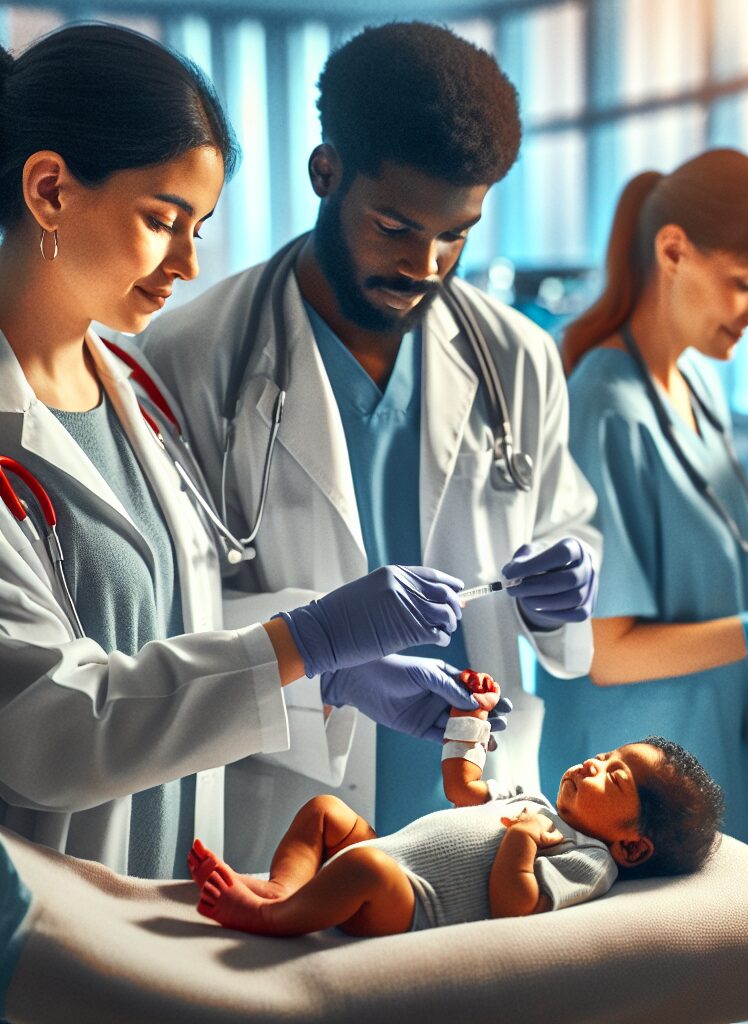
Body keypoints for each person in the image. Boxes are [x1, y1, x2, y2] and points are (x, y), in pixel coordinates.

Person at [0, 24, 502, 881]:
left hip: (168, 905)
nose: (187, 263)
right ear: (50, 190)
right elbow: (47, 727)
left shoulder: (133, 390)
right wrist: (302, 640)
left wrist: (329, 669)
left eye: (199, 225)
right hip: (47, 930)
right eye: (163, 221)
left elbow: (168, 630)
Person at [135, 21, 599, 854]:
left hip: (479, 799)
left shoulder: (519, 358)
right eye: (395, 226)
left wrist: (565, 579)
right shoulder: (190, 358)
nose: (426, 265)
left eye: (455, 233)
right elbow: (167, 616)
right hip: (286, 805)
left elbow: (560, 521)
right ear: (327, 172)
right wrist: (329, 659)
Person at [535, 149, 748, 857]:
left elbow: (702, 577)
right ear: (673, 251)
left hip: (707, 755)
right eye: (747, 284)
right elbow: (607, 651)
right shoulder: (605, 409)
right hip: (627, 800)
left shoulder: (695, 387)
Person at [188, 670, 723, 937]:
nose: (592, 764)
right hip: (390, 852)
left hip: (410, 904)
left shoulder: (590, 859)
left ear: (632, 846)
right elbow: (462, 788)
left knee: (367, 867)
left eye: (616, 777)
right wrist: (471, 716)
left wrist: (522, 839)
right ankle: (285, 888)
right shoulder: (535, 800)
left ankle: (268, 917)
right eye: (605, 755)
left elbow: (515, 905)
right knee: (326, 811)